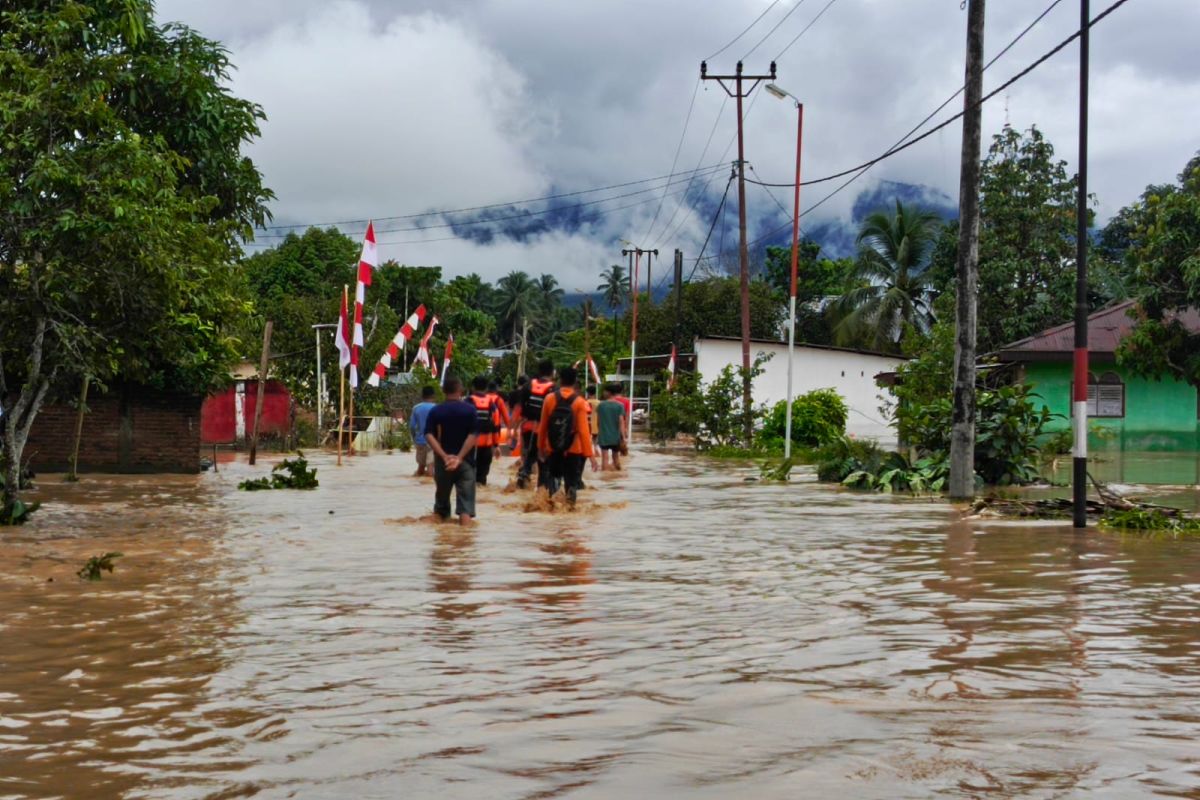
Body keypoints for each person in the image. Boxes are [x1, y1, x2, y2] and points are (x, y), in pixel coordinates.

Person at [537, 366, 598, 505]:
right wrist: (591, 456)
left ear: (559, 380)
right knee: (571, 484)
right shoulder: (580, 402)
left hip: (553, 447)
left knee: (553, 480)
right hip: (573, 450)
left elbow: (543, 427)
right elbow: (583, 432)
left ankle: (553, 508)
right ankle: (570, 510)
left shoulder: (549, 399)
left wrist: (540, 448)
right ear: (575, 381)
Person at [424, 377, 478, 525]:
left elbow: (428, 435)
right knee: (465, 509)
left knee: (441, 509)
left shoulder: (436, 411)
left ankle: (442, 544)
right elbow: (473, 436)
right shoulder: (470, 411)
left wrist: (444, 456)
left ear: (443, 391)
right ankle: (465, 543)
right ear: (461, 391)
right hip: (465, 463)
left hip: (443, 464)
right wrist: (459, 458)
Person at [515, 361, 556, 489]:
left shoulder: (528, 385)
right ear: (551, 372)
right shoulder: (553, 388)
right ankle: (541, 488)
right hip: (544, 429)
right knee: (543, 459)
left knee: (531, 453)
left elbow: (520, 408)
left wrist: (514, 428)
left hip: (527, 427)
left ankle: (524, 472)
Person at [468, 376, 508, 486]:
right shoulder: (492, 403)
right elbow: (495, 424)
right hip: (487, 444)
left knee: (469, 474)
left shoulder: (467, 401)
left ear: (473, 387)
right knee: (482, 476)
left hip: (470, 445)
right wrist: (496, 445)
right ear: (485, 388)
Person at [597, 384, 627, 471]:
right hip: (616, 437)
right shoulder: (620, 405)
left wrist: (601, 431)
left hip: (604, 436)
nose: (603, 393)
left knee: (604, 459)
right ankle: (618, 478)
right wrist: (623, 437)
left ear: (609, 393)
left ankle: (605, 480)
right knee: (616, 458)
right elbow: (621, 422)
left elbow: (598, 422)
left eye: (605, 391)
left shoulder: (601, 405)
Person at [409, 386, 437, 476]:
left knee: (420, 467)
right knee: (430, 467)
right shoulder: (437, 408)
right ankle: (427, 487)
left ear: (422, 395)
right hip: (433, 441)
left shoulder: (416, 408)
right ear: (433, 395)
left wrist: (414, 439)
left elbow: (412, 426)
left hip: (420, 441)